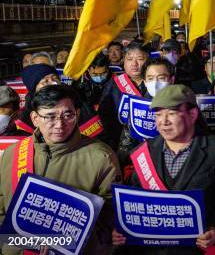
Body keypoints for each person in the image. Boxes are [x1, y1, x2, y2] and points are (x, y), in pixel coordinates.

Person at [112, 85, 215, 254]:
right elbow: (134, 196)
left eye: (171, 113)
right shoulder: (145, 152)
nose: (163, 121)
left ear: (193, 114)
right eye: (158, 114)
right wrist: (122, 228)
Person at [0, 85, 121, 254]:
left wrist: (60, 240)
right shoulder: (12, 154)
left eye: (67, 115)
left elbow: (110, 220)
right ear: (35, 118)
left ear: (77, 114)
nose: (59, 124)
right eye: (50, 116)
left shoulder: (101, 157)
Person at [117, 58, 175, 167]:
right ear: (145, 82)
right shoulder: (136, 107)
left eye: (161, 78)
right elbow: (125, 147)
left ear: (171, 80)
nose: (156, 83)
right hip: (144, 166)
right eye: (150, 78)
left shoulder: (184, 108)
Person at [98, 42, 148, 150]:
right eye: (129, 59)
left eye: (140, 59)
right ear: (123, 61)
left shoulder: (154, 82)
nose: (134, 64)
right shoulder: (114, 83)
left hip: (150, 142)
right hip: (120, 142)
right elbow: (105, 113)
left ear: (148, 60)